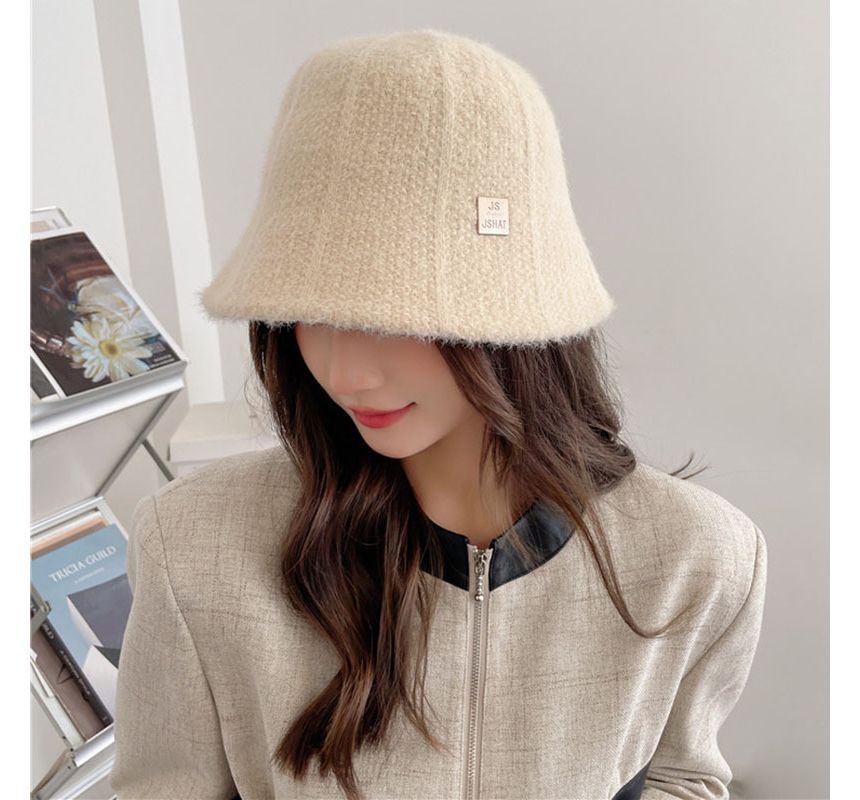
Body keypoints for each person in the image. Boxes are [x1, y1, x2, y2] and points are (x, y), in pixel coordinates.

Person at [109, 28, 768, 800]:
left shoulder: (695, 555)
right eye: (310, 312)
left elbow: (684, 775)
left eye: (395, 316)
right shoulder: (195, 547)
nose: (345, 374)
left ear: (516, 321)